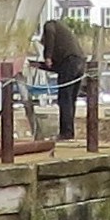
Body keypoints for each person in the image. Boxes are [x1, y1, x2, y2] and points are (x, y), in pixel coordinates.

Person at [37, 14, 93, 142]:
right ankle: (69, 132)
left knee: (64, 99)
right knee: (70, 99)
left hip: (71, 62)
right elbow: (59, 68)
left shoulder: (50, 25)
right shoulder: (64, 40)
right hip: (79, 63)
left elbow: (50, 32)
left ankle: (66, 133)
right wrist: (41, 65)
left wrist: (47, 56)